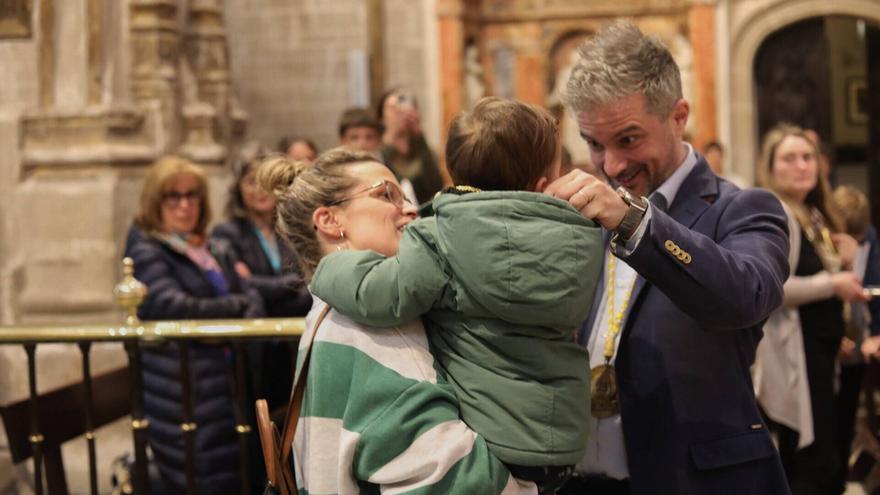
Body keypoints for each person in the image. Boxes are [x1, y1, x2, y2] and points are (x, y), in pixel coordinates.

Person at [311, 97, 603, 494]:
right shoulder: (580, 239)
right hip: (563, 439)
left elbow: (381, 295)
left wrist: (327, 266)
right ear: (542, 185)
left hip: (496, 437)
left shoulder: (440, 238)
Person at [546, 21, 792, 494]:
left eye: (629, 139)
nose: (612, 166)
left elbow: (746, 293)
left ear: (678, 116)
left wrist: (634, 221)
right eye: (594, 144)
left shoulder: (742, 208)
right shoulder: (585, 217)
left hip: (695, 481)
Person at [256, 149, 537, 494]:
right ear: (330, 221)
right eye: (385, 194)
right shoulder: (373, 323)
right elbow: (451, 479)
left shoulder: (329, 313)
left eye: (405, 196)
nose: (410, 209)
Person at [125, 156, 266, 494]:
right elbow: (172, 306)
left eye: (193, 195)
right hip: (185, 392)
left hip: (225, 387)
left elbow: (254, 297)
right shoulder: (148, 250)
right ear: (154, 201)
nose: (185, 205)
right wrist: (237, 307)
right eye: (173, 197)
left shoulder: (207, 246)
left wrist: (238, 308)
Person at [752, 124, 867, 495]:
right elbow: (772, 289)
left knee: (826, 461)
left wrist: (848, 266)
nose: (802, 165)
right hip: (793, 360)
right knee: (808, 468)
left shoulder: (813, 215)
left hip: (820, 355)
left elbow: (832, 287)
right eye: (789, 158)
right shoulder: (778, 213)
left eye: (808, 157)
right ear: (771, 167)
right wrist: (833, 283)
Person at [210, 145, 312, 411]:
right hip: (256, 353)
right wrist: (292, 285)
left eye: (264, 181)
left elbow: (311, 284)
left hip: (298, 344)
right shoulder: (227, 233)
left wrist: (262, 283)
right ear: (238, 189)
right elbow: (241, 286)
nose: (258, 190)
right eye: (250, 182)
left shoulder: (291, 229)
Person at [831, 185, 880, 493]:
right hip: (823, 344)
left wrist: (876, 334)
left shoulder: (871, 238)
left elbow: (875, 284)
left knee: (848, 414)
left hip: (857, 335)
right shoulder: (819, 234)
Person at [337, 106, 419, 205]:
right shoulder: (333, 180)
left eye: (369, 137)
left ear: (379, 140)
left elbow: (413, 217)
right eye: (354, 138)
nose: (362, 144)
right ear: (342, 141)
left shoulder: (399, 182)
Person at [378, 88, 446, 203]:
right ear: (381, 118)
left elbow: (436, 186)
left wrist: (419, 134)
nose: (400, 112)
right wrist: (391, 135)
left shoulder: (424, 150)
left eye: (405, 106)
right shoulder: (377, 152)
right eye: (393, 108)